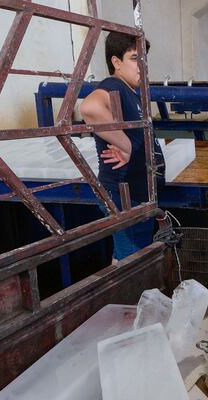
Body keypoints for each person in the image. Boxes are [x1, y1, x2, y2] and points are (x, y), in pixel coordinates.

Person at [80, 32, 165, 262]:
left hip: (135, 195)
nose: (142, 66)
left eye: (144, 58)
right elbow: (89, 107)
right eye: (135, 58)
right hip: (124, 195)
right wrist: (125, 145)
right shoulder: (113, 85)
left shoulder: (129, 93)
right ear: (116, 62)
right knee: (131, 260)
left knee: (129, 254)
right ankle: (129, 297)